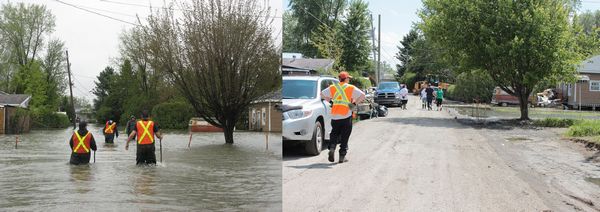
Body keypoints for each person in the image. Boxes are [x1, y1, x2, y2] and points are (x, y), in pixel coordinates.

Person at [321, 71, 366, 163]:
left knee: (334, 134)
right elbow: (362, 95)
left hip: (335, 116)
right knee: (345, 137)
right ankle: (342, 156)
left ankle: (332, 148)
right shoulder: (350, 87)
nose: (349, 79)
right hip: (346, 116)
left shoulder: (333, 87)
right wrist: (353, 104)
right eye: (348, 78)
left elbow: (322, 94)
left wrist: (330, 101)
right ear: (345, 79)